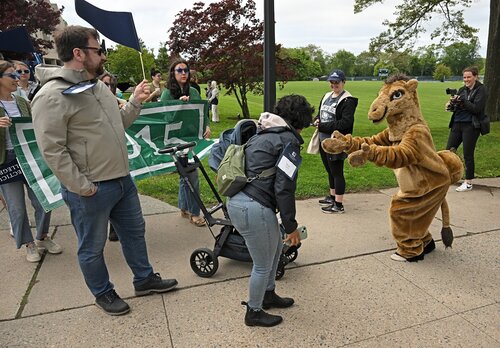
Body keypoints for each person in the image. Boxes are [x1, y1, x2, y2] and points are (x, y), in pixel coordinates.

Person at [31, 26, 178, 316]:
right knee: (92, 247)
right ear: (78, 54)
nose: (103, 57)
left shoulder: (97, 86)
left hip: (122, 181)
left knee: (135, 234)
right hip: (91, 189)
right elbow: (52, 151)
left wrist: (135, 101)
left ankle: (144, 279)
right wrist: (82, 186)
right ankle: (103, 292)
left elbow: (118, 124)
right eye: (98, 51)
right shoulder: (51, 96)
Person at [227, 94, 313, 327]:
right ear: (301, 121)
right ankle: (253, 312)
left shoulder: (264, 132)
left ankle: (268, 294)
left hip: (240, 202)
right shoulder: (288, 141)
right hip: (253, 207)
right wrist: (291, 226)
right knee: (263, 263)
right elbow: (284, 188)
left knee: (275, 249)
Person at [0, 60, 62, 262]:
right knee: (16, 208)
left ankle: (42, 237)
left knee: (44, 200)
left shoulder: (22, 102)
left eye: (19, 74)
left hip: (27, 156)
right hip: (5, 161)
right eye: (12, 75)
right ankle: (29, 244)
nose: (17, 78)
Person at [160, 58, 211, 227]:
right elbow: (165, 118)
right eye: (179, 70)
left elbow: (201, 113)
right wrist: (179, 106)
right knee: (192, 175)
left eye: (186, 70)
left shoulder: (194, 91)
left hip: (191, 138)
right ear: (173, 74)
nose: (183, 73)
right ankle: (195, 213)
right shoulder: (167, 93)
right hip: (175, 141)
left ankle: (184, 207)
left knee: (186, 175)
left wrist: (207, 126)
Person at [313, 69, 358, 214]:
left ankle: (338, 205)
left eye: (337, 82)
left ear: (343, 82)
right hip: (323, 140)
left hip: (336, 143)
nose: (334, 85)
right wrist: (316, 120)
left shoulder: (347, 100)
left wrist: (323, 126)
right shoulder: (327, 95)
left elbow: (345, 123)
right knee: (329, 170)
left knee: (337, 172)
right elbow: (320, 112)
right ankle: (332, 197)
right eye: (331, 82)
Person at [445, 66, 487, 192]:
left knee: (468, 154)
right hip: (457, 123)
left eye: (469, 77)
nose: (466, 80)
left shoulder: (481, 90)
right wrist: (450, 105)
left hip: (471, 125)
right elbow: (457, 106)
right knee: (448, 151)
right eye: (464, 77)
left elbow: (476, 109)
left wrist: (463, 100)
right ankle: (449, 177)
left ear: (475, 77)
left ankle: (468, 182)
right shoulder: (462, 89)